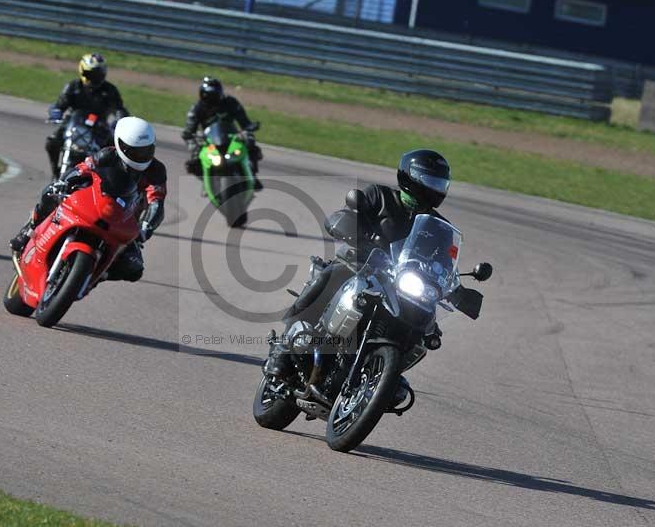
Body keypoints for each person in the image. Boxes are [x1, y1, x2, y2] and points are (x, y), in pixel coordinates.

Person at [264, 149, 452, 380]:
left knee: (426, 322)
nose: (434, 188)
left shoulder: (440, 228)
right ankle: (283, 350)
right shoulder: (380, 196)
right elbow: (347, 213)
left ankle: (385, 375)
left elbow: (444, 262)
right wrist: (347, 225)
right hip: (359, 263)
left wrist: (458, 288)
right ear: (409, 176)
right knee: (333, 276)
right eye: (429, 181)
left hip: (400, 282)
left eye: (439, 184)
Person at [10, 117, 166, 283]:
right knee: (50, 192)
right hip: (91, 202)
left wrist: (145, 228)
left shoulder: (156, 170)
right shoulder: (107, 155)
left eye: (146, 150)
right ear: (120, 144)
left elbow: (156, 201)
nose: (141, 156)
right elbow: (82, 169)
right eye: (135, 151)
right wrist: (64, 182)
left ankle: (93, 277)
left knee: (134, 270)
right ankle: (30, 228)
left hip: (124, 220)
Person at [45, 53, 129, 179]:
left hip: (100, 128)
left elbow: (119, 109)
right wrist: (55, 112)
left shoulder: (110, 90)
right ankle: (55, 172)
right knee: (51, 142)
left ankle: (112, 183)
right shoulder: (73, 87)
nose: (94, 79)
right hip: (72, 124)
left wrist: (119, 121)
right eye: (90, 75)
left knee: (117, 153)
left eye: (97, 75)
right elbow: (59, 105)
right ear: (82, 72)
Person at [181, 76, 263, 189]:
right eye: (206, 95)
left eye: (213, 95)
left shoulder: (230, 102)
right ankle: (206, 180)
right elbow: (189, 131)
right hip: (209, 141)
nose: (210, 99)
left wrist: (248, 128)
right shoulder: (196, 108)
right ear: (202, 94)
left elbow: (245, 122)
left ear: (219, 94)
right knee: (193, 161)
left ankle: (252, 175)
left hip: (232, 136)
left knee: (251, 143)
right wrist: (193, 138)